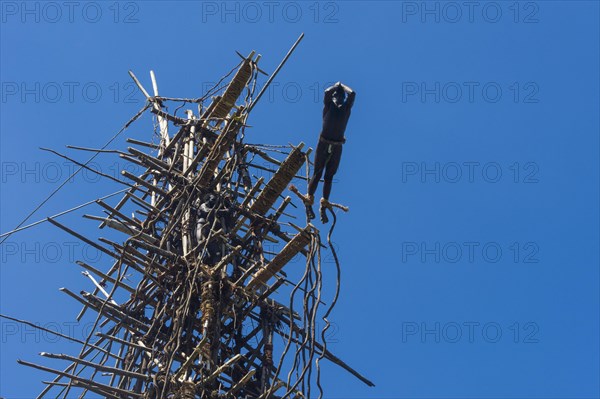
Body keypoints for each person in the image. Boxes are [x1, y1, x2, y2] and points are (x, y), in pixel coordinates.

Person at [306, 81, 355, 222]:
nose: (337, 98)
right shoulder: (328, 107)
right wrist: (336, 86)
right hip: (324, 142)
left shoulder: (346, 109)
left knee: (329, 176)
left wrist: (343, 86)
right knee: (317, 173)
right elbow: (327, 93)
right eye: (335, 96)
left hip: (337, 146)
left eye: (340, 96)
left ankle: (324, 205)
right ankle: (309, 201)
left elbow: (352, 94)